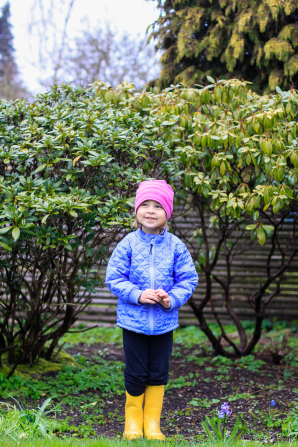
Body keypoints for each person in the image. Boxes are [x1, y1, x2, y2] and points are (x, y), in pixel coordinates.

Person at [105, 179, 198, 440]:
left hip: (164, 323)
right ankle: (133, 422)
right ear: (136, 210)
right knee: (135, 371)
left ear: (167, 212)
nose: (150, 210)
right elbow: (114, 277)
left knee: (158, 371)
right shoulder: (128, 244)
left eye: (157, 206)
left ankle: (152, 424)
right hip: (133, 322)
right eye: (145, 204)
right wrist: (137, 294)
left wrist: (171, 299)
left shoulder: (176, 246)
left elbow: (188, 279)